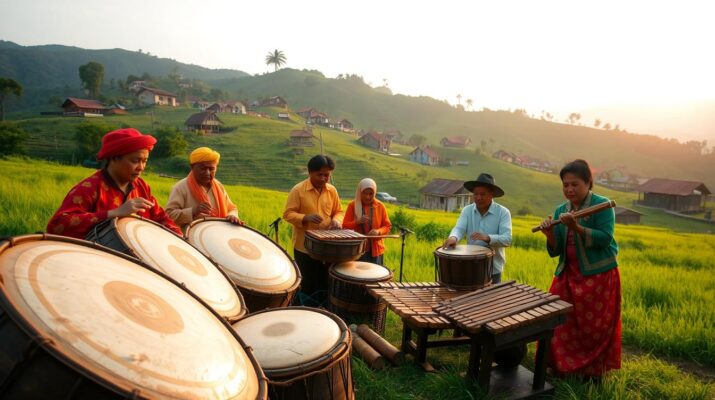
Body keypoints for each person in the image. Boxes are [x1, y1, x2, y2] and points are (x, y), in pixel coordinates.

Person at [538, 159, 621, 379]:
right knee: (555, 318)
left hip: (598, 276)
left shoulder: (602, 206)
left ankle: (591, 372)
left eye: (575, 184)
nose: (569, 189)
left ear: (588, 182)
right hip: (567, 273)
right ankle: (558, 367)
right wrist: (550, 235)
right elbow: (556, 252)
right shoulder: (560, 210)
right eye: (565, 185)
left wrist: (576, 227)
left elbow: (605, 239)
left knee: (593, 327)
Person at [47, 128, 181, 238]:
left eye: (144, 161)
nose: (141, 167)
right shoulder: (90, 188)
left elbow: (161, 218)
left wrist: (182, 240)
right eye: (135, 161)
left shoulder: (141, 186)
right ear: (113, 159)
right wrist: (114, 213)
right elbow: (57, 225)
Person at [283, 155, 344, 302]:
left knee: (325, 281)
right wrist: (305, 217)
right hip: (305, 247)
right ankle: (306, 310)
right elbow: (287, 214)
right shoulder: (298, 190)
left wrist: (336, 220)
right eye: (320, 174)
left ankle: (324, 311)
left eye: (327, 175)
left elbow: (339, 211)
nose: (323, 178)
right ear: (310, 173)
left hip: (327, 246)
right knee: (308, 283)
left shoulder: (332, 191)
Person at [442, 173, 512, 284]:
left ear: (491, 194)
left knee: (491, 301)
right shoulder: (467, 210)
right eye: (475, 194)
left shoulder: (503, 213)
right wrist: (453, 237)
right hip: (470, 266)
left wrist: (488, 238)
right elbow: (459, 228)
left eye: (483, 194)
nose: (478, 198)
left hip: (493, 269)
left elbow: (507, 239)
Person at [165, 147, 243, 231]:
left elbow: (231, 208)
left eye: (211, 169)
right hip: (189, 239)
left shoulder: (219, 187)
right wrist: (193, 211)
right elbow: (169, 215)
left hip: (218, 235)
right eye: (203, 168)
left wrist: (232, 216)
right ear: (192, 167)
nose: (207, 173)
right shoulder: (180, 188)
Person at [342, 178, 392, 265]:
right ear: (359, 192)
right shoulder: (352, 206)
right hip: (356, 250)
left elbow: (387, 226)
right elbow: (344, 226)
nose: (367, 196)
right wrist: (356, 222)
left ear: (375, 193)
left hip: (375, 250)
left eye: (371, 194)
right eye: (365, 193)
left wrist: (378, 231)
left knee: (375, 276)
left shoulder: (380, 206)